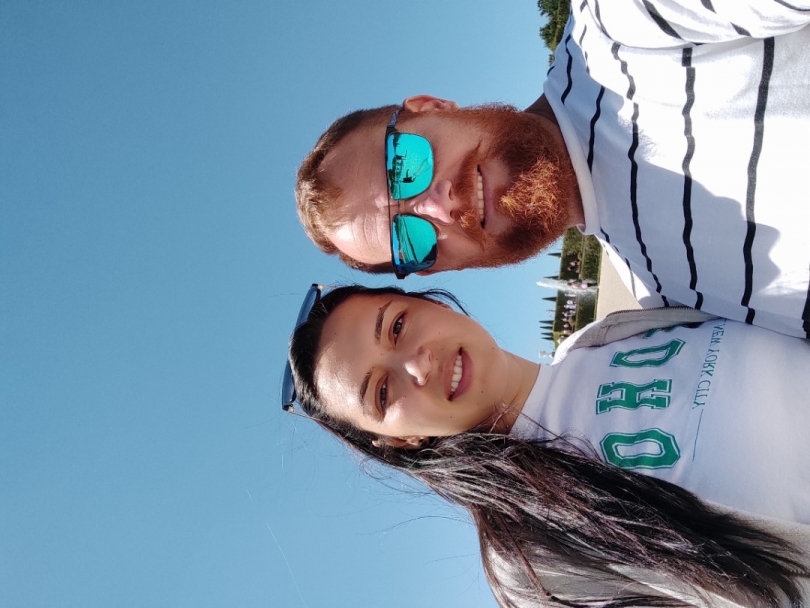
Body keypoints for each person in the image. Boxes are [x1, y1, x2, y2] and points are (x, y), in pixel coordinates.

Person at [295, 2, 810, 338]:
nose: (438, 206)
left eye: (404, 166)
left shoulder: (621, 30)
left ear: (431, 107)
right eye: (409, 239)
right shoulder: (671, 307)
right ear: (438, 269)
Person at [283, 284, 810, 607]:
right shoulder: (532, 562)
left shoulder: (606, 335)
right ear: (401, 441)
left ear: (428, 302)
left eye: (398, 325)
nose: (417, 364)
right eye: (382, 391)